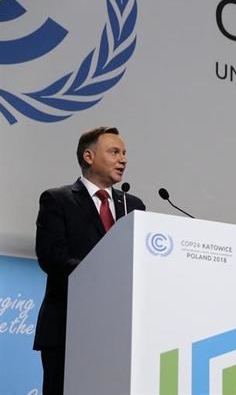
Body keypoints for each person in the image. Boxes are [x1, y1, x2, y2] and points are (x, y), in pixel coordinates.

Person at [33, 127, 146, 395]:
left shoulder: (134, 206)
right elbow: (52, 258)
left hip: (120, 332)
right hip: (68, 327)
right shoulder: (57, 200)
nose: (124, 159)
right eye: (114, 152)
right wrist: (105, 272)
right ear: (89, 156)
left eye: (125, 153)